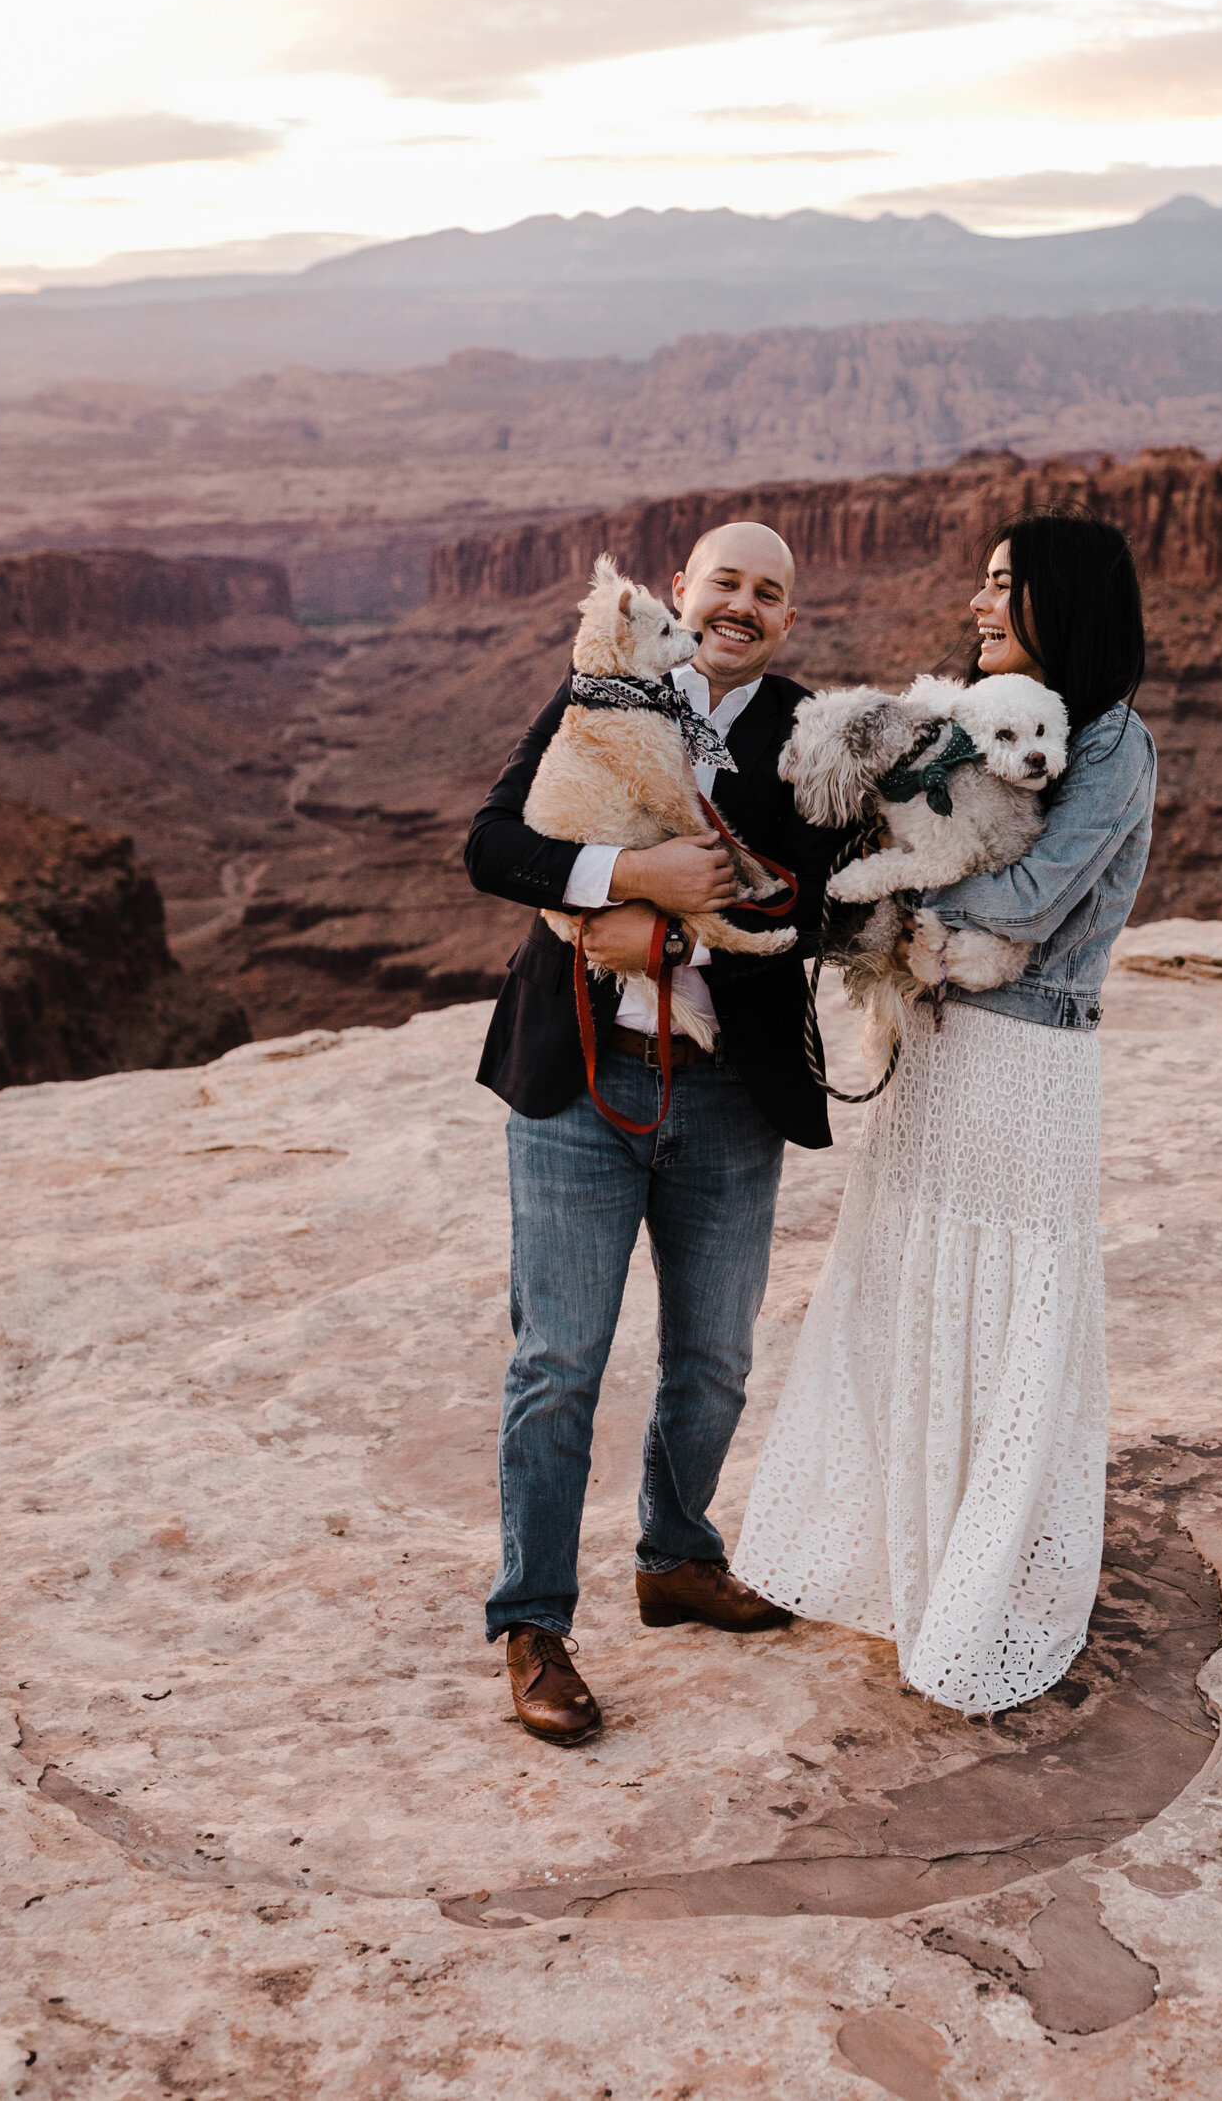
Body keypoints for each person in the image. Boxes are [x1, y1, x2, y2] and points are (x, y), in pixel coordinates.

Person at [735, 514, 1154, 1716]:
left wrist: (873, 892)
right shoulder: (983, 716)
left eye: (1000, 586)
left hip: (1021, 1058)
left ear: (1058, 601)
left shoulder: (1111, 741)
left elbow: (1026, 896)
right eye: (977, 584)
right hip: (938, 1039)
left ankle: (982, 1585)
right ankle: (891, 1553)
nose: (976, 605)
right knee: (914, 1281)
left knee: (997, 1296)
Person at [464, 521, 841, 1748]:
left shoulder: (806, 733)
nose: (741, 604)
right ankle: (533, 1624)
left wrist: (675, 933)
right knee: (557, 1363)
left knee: (714, 1360)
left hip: (727, 1101)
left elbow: (825, 901)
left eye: (768, 593)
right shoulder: (599, 688)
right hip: (580, 1082)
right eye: (722, 581)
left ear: (786, 620)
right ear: (678, 593)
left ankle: (676, 1556)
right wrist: (629, 878)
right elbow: (495, 844)